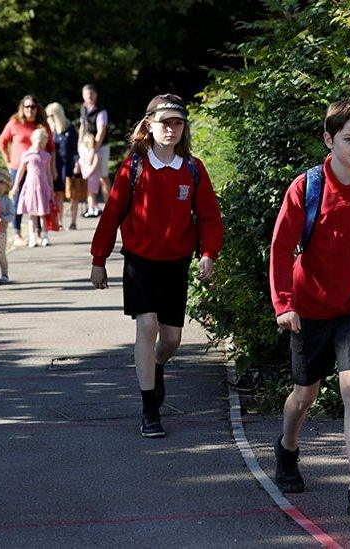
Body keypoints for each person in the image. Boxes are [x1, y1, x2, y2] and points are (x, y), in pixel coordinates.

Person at [269, 98, 350, 523]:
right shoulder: (306, 187)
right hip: (308, 307)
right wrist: (284, 304)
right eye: (348, 138)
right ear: (329, 140)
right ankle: (287, 448)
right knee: (304, 395)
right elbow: (279, 248)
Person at [90, 94, 224, 439]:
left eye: (178, 123)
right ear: (148, 125)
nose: (171, 129)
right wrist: (99, 259)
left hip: (176, 263)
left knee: (172, 340)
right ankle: (150, 409)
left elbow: (209, 217)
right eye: (165, 122)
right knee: (146, 326)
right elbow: (112, 214)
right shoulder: (134, 167)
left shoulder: (193, 168)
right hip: (140, 262)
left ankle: (157, 366)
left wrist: (208, 253)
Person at [0, 95, 56, 245]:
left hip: (39, 170)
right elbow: (2, 142)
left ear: (37, 109)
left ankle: (38, 233)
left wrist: (53, 168)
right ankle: (17, 233)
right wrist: (8, 161)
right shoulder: (14, 123)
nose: (29, 109)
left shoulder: (42, 125)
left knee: (38, 201)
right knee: (18, 200)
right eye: (27, 106)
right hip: (18, 167)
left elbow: (51, 148)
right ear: (22, 108)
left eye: (33, 107)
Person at [11, 128, 55, 247]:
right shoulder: (27, 154)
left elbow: (49, 173)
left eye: (43, 142)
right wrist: (15, 186)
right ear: (33, 140)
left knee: (43, 213)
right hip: (30, 187)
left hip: (43, 187)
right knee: (32, 214)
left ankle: (45, 236)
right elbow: (20, 171)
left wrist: (51, 189)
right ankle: (32, 237)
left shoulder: (46, 156)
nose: (41, 144)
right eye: (39, 141)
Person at [79, 84, 110, 216]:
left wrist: (94, 150)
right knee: (89, 176)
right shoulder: (83, 108)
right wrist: (79, 143)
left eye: (91, 94)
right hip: (87, 146)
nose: (89, 96)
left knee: (103, 177)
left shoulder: (101, 111)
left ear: (95, 95)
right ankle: (92, 207)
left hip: (101, 147)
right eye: (86, 94)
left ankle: (110, 207)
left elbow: (101, 132)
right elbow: (82, 125)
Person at [46, 102, 77, 229]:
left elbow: (75, 148)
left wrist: (77, 162)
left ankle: (73, 221)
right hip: (56, 166)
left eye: (51, 116)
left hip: (69, 164)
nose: (49, 118)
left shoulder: (70, 128)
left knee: (72, 194)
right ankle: (59, 222)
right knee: (58, 194)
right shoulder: (50, 131)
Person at [78, 133, 103, 218]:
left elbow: (94, 166)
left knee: (90, 194)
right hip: (89, 176)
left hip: (92, 177)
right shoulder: (87, 153)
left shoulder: (95, 153)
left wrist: (86, 174)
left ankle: (91, 209)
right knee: (91, 194)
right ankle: (94, 208)